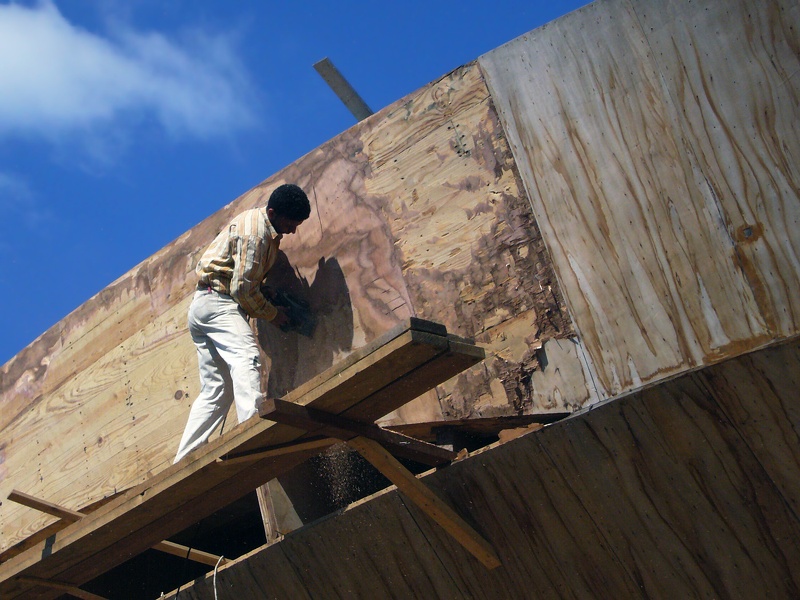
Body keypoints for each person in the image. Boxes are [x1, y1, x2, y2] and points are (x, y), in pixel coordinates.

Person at [174, 183, 311, 463]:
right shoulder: (257, 234)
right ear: (273, 213)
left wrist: (267, 294)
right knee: (247, 356)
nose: (293, 230)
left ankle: (184, 460)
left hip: (204, 305)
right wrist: (274, 315)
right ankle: (253, 431)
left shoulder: (261, 226)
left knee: (218, 390)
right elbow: (242, 291)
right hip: (219, 304)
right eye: (290, 223)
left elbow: (245, 281)